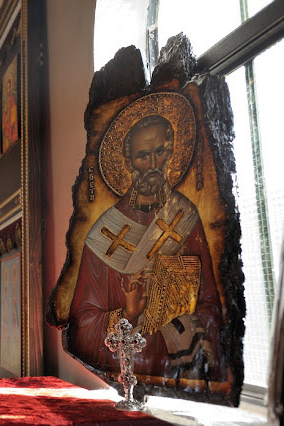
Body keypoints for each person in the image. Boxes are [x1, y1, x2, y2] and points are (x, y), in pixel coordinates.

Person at [68, 114, 225, 382]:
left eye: (159, 152)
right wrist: (128, 313)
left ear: (171, 153)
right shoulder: (102, 234)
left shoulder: (185, 217)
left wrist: (169, 334)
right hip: (126, 362)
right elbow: (82, 327)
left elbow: (211, 307)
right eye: (143, 155)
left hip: (175, 362)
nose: (153, 164)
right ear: (128, 163)